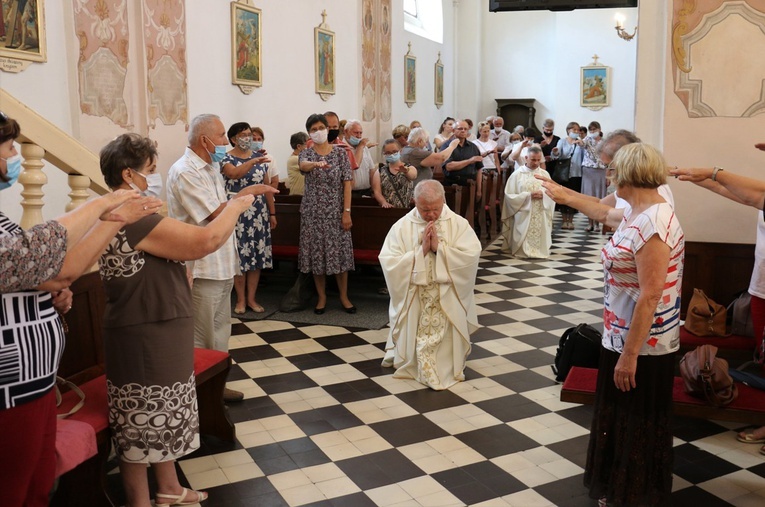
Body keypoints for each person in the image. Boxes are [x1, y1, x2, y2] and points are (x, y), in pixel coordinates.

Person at [0, 114, 161, 507]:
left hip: (33, 379)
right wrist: (110, 206)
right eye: (7, 148)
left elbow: (43, 275)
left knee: (37, 486)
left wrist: (50, 295)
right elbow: (43, 256)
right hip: (8, 384)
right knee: (12, 490)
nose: (16, 154)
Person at [98, 133, 257, 507]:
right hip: (144, 332)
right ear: (128, 175)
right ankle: (140, 501)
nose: (154, 178)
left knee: (162, 413)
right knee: (141, 418)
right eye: (150, 171)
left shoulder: (128, 212)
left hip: (158, 326)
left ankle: (169, 487)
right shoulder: (129, 217)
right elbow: (205, 240)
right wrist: (235, 206)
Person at [584, 143, 684, 507]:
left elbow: (651, 294)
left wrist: (629, 356)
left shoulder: (655, 221)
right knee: (620, 417)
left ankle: (635, 493)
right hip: (621, 334)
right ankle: (618, 487)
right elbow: (599, 212)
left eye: (612, 169)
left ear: (628, 174)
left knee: (635, 419)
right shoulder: (635, 211)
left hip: (643, 345)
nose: (609, 174)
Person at [167, 114, 277, 403]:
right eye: (221, 136)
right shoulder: (185, 171)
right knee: (202, 336)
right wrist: (247, 195)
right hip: (202, 266)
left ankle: (216, 386)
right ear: (204, 140)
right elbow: (215, 213)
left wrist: (241, 197)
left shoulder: (211, 166)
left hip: (222, 262)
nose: (225, 142)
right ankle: (201, 395)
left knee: (220, 332)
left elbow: (222, 208)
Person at [670, 146, 765, 456]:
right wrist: (696, 178)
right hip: (761, 289)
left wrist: (712, 171)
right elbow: (740, 195)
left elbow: (755, 194)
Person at [379, 180, 481, 390]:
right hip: (416, 296)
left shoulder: (458, 224)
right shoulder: (402, 226)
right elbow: (389, 261)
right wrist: (421, 251)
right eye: (425, 210)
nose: (431, 215)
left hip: (447, 296)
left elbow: (471, 256)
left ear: (443, 201)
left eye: (436, 209)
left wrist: (440, 249)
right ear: (414, 202)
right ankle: (414, 361)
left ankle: (446, 365)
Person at [539, 130, 675, 230]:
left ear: (627, 161)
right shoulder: (633, 187)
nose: (608, 174)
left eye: (609, 167)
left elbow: (606, 214)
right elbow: (599, 203)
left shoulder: (655, 195)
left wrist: (568, 200)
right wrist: (558, 188)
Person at [298, 113, 356, 314]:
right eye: (313, 129)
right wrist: (315, 164)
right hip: (312, 213)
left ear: (328, 129)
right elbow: (303, 166)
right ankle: (321, 297)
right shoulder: (306, 154)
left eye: (321, 128)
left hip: (336, 212)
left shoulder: (340, 154)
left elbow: (347, 184)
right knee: (317, 256)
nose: (318, 132)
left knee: (340, 255)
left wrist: (346, 212)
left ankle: (344, 296)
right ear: (309, 133)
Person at [221, 122, 276, 315]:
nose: (248, 138)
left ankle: (252, 298)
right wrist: (252, 161)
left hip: (258, 212)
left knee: (256, 256)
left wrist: (272, 213)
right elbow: (233, 174)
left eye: (250, 134)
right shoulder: (226, 158)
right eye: (243, 135)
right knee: (240, 256)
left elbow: (266, 186)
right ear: (234, 138)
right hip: (237, 211)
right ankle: (240, 300)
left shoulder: (259, 157)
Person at [501, 145, 555, 258]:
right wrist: (527, 196)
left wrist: (544, 194)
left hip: (540, 210)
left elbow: (553, 194)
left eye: (538, 160)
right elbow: (509, 196)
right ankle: (522, 250)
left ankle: (539, 251)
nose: (536, 163)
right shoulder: (517, 175)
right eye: (533, 160)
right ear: (526, 158)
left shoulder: (545, 174)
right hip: (523, 212)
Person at [550, 122, 584, 230]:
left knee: (574, 197)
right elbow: (558, 154)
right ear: (568, 130)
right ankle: (565, 220)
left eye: (577, 130)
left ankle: (571, 221)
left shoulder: (580, 143)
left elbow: (584, 157)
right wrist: (555, 152)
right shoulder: (562, 141)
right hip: (564, 173)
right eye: (573, 130)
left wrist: (582, 145)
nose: (576, 132)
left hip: (576, 173)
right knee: (564, 196)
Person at [371, 139, 417, 208]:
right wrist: (383, 202)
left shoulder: (409, 167)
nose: (391, 155)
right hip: (389, 209)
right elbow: (377, 191)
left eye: (394, 152)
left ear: (400, 151)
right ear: (384, 154)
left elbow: (413, 176)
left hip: (407, 208)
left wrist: (406, 171)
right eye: (388, 153)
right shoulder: (380, 171)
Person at [444, 120, 484, 198]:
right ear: (453, 130)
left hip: (471, 186)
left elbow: (479, 169)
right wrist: (470, 161)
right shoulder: (447, 146)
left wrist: (479, 190)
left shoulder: (473, 147)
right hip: (452, 186)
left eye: (465, 129)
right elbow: (449, 166)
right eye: (460, 128)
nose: (463, 131)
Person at [581, 121, 606, 232]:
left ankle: (597, 224)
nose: (592, 132)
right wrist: (579, 142)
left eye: (594, 130)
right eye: (590, 130)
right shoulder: (587, 139)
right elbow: (582, 144)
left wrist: (609, 175)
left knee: (599, 197)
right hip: (588, 170)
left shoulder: (605, 142)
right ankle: (590, 223)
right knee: (589, 197)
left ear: (599, 130)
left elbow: (609, 158)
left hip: (601, 171)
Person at [344, 119, 376, 198]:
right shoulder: (342, 148)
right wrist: (360, 147)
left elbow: (372, 170)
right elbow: (355, 165)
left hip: (367, 191)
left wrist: (374, 190)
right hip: (351, 193)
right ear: (346, 131)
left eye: (360, 133)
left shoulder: (364, 148)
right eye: (356, 133)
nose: (359, 136)